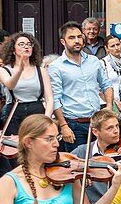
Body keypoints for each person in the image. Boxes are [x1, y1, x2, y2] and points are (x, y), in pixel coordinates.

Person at [48, 21, 115, 151]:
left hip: (97, 122)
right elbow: (55, 98)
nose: (77, 41)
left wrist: (108, 106)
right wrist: (63, 125)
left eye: (79, 36)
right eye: (71, 38)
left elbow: (106, 84)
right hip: (74, 124)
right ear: (63, 42)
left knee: (100, 162)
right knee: (78, 165)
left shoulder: (94, 61)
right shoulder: (56, 67)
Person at [0, 32, 53, 136]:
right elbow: (10, 85)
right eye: (21, 44)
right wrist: (19, 70)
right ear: (13, 50)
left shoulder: (41, 71)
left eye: (29, 44)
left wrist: (46, 118)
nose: (26, 46)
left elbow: (49, 99)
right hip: (14, 111)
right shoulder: (3, 70)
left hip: (36, 111)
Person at [100, 34, 121, 132]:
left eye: (118, 44)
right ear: (107, 48)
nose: (116, 48)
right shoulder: (102, 63)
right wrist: (116, 103)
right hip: (109, 105)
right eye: (112, 46)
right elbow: (100, 88)